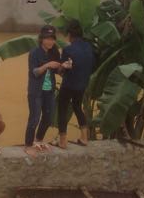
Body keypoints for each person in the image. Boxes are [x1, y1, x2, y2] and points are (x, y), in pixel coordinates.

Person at [54, 20, 96, 148]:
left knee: (62, 109)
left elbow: (62, 69)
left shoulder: (68, 49)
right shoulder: (88, 47)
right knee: (77, 107)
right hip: (82, 84)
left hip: (69, 84)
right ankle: (84, 138)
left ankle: (62, 141)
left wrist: (59, 68)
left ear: (70, 35)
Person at [25, 24, 62, 156]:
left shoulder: (54, 52)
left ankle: (39, 140)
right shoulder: (34, 53)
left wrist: (64, 66)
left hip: (49, 90)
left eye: (52, 39)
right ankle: (28, 145)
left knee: (48, 117)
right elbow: (34, 72)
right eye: (47, 38)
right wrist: (47, 65)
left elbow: (57, 71)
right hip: (36, 91)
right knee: (34, 118)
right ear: (41, 39)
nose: (50, 41)